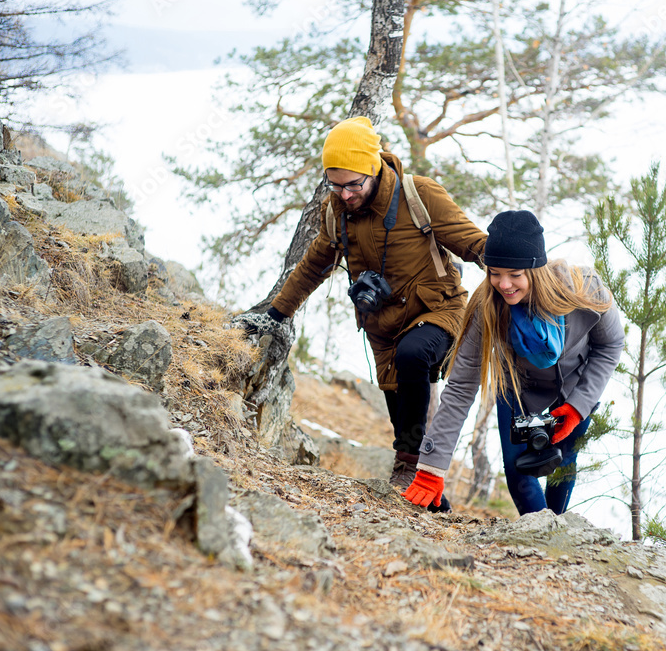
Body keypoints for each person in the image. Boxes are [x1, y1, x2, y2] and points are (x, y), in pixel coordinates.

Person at [245, 117, 487, 500]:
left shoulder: (418, 195)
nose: (344, 194)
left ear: (373, 167)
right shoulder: (335, 212)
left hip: (437, 308)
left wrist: (512, 270)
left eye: (353, 184)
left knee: (415, 355)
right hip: (382, 325)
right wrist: (276, 314)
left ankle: (408, 467)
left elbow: (473, 242)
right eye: (335, 184)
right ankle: (430, 500)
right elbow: (312, 267)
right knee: (401, 410)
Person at [401, 210, 624, 516]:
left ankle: (559, 531)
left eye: (515, 275)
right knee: (518, 468)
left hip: (576, 384)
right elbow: (462, 386)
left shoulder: (584, 287)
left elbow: (611, 344)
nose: (503, 284)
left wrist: (578, 405)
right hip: (517, 385)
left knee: (565, 459)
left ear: (536, 270)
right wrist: (431, 468)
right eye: (494, 272)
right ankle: (540, 533)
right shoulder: (486, 305)